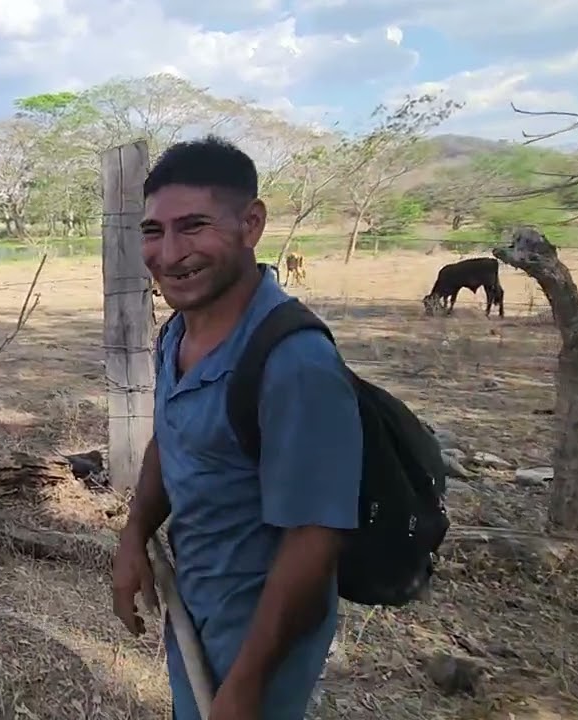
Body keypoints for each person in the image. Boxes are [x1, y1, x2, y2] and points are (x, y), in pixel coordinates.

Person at [110, 137, 362, 720]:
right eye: (153, 231)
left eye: (193, 226)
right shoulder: (178, 333)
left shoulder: (294, 363)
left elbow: (314, 540)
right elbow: (170, 440)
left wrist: (247, 686)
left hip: (261, 637)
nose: (169, 253)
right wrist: (134, 535)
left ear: (251, 224)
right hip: (195, 606)